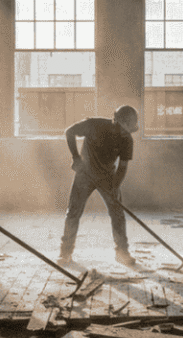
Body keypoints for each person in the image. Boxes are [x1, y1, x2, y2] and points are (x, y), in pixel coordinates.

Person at [58, 105, 140, 267]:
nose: (126, 132)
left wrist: (114, 187)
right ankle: (65, 253)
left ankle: (122, 252)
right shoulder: (94, 125)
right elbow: (69, 132)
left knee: (117, 213)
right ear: (118, 121)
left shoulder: (127, 140)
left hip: (107, 177)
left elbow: (122, 167)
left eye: (129, 129)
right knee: (73, 212)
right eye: (125, 127)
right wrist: (76, 157)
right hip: (84, 175)